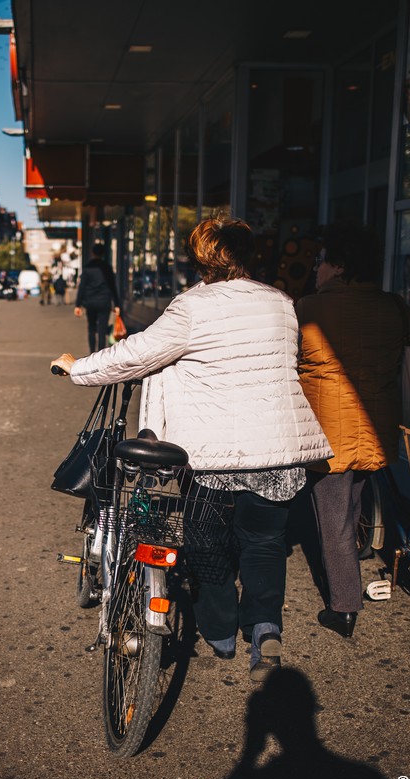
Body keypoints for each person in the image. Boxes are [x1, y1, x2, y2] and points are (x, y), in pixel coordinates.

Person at [52, 216, 333, 683]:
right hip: (278, 452)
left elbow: (135, 354)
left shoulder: (192, 307)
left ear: (200, 258)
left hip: (213, 455)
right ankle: (265, 629)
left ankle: (221, 634)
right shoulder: (281, 303)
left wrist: (77, 366)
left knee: (207, 548)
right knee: (264, 544)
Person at [296, 223, 410, 638]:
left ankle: (344, 606)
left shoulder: (309, 309)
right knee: (352, 503)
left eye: (321, 262)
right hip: (375, 431)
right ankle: (354, 570)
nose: (316, 269)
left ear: (339, 266)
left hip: (327, 436)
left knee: (335, 520)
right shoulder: (393, 308)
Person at [73, 243, 121, 353]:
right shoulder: (107, 268)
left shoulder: (87, 268)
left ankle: (92, 353)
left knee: (91, 327)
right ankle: (100, 354)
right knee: (102, 329)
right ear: (103, 254)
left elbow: (82, 287)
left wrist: (77, 305)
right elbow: (112, 287)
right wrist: (117, 304)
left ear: (92, 253)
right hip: (104, 302)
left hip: (90, 302)